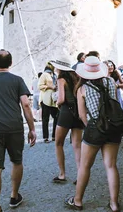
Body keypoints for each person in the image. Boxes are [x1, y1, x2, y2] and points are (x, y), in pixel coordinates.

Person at [0, 50, 36, 212]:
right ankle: (14, 196)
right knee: (16, 161)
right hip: (14, 127)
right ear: (10, 63)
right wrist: (32, 128)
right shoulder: (17, 80)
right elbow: (25, 104)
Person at [65, 56, 121, 211]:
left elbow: (83, 116)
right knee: (111, 166)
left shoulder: (82, 89)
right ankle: (114, 203)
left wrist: (92, 126)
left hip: (95, 127)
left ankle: (77, 201)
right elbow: (113, 104)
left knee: (84, 166)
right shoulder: (111, 82)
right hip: (113, 126)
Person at [49, 56, 84, 184]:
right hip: (78, 112)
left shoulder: (61, 79)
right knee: (77, 145)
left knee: (58, 143)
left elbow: (62, 99)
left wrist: (57, 103)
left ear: (59, 67)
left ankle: (62, 174)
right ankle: (81, 174)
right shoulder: (77, 77)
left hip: (66, 112)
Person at [38, 63, 58, 143]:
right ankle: (45, 137)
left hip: (53, 100)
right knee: (45, 119)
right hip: (45, 99)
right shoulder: (44, 75)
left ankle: (54, 136)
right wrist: (50, 87)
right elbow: (40, 86)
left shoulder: (54, 75)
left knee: (57, 117)